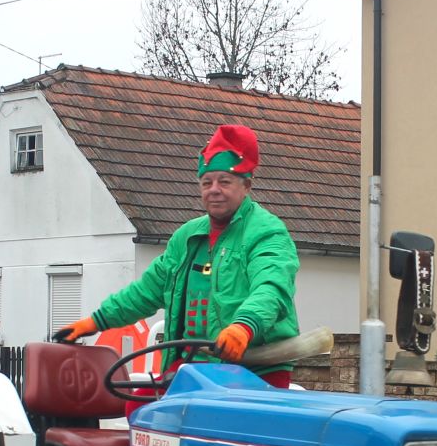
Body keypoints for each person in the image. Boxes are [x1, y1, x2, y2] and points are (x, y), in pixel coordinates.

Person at [56, 124, 300, 388]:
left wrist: (244, 326)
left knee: (213, 421)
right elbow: (145, 291)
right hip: (192, 366)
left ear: (246, 186)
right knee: (139, 407)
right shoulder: (186, 237)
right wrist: (96, 321)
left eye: (224, 181)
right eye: (207, 182)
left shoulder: (267, 232)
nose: (214, 189)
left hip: (253, 371)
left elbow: (271, 288)